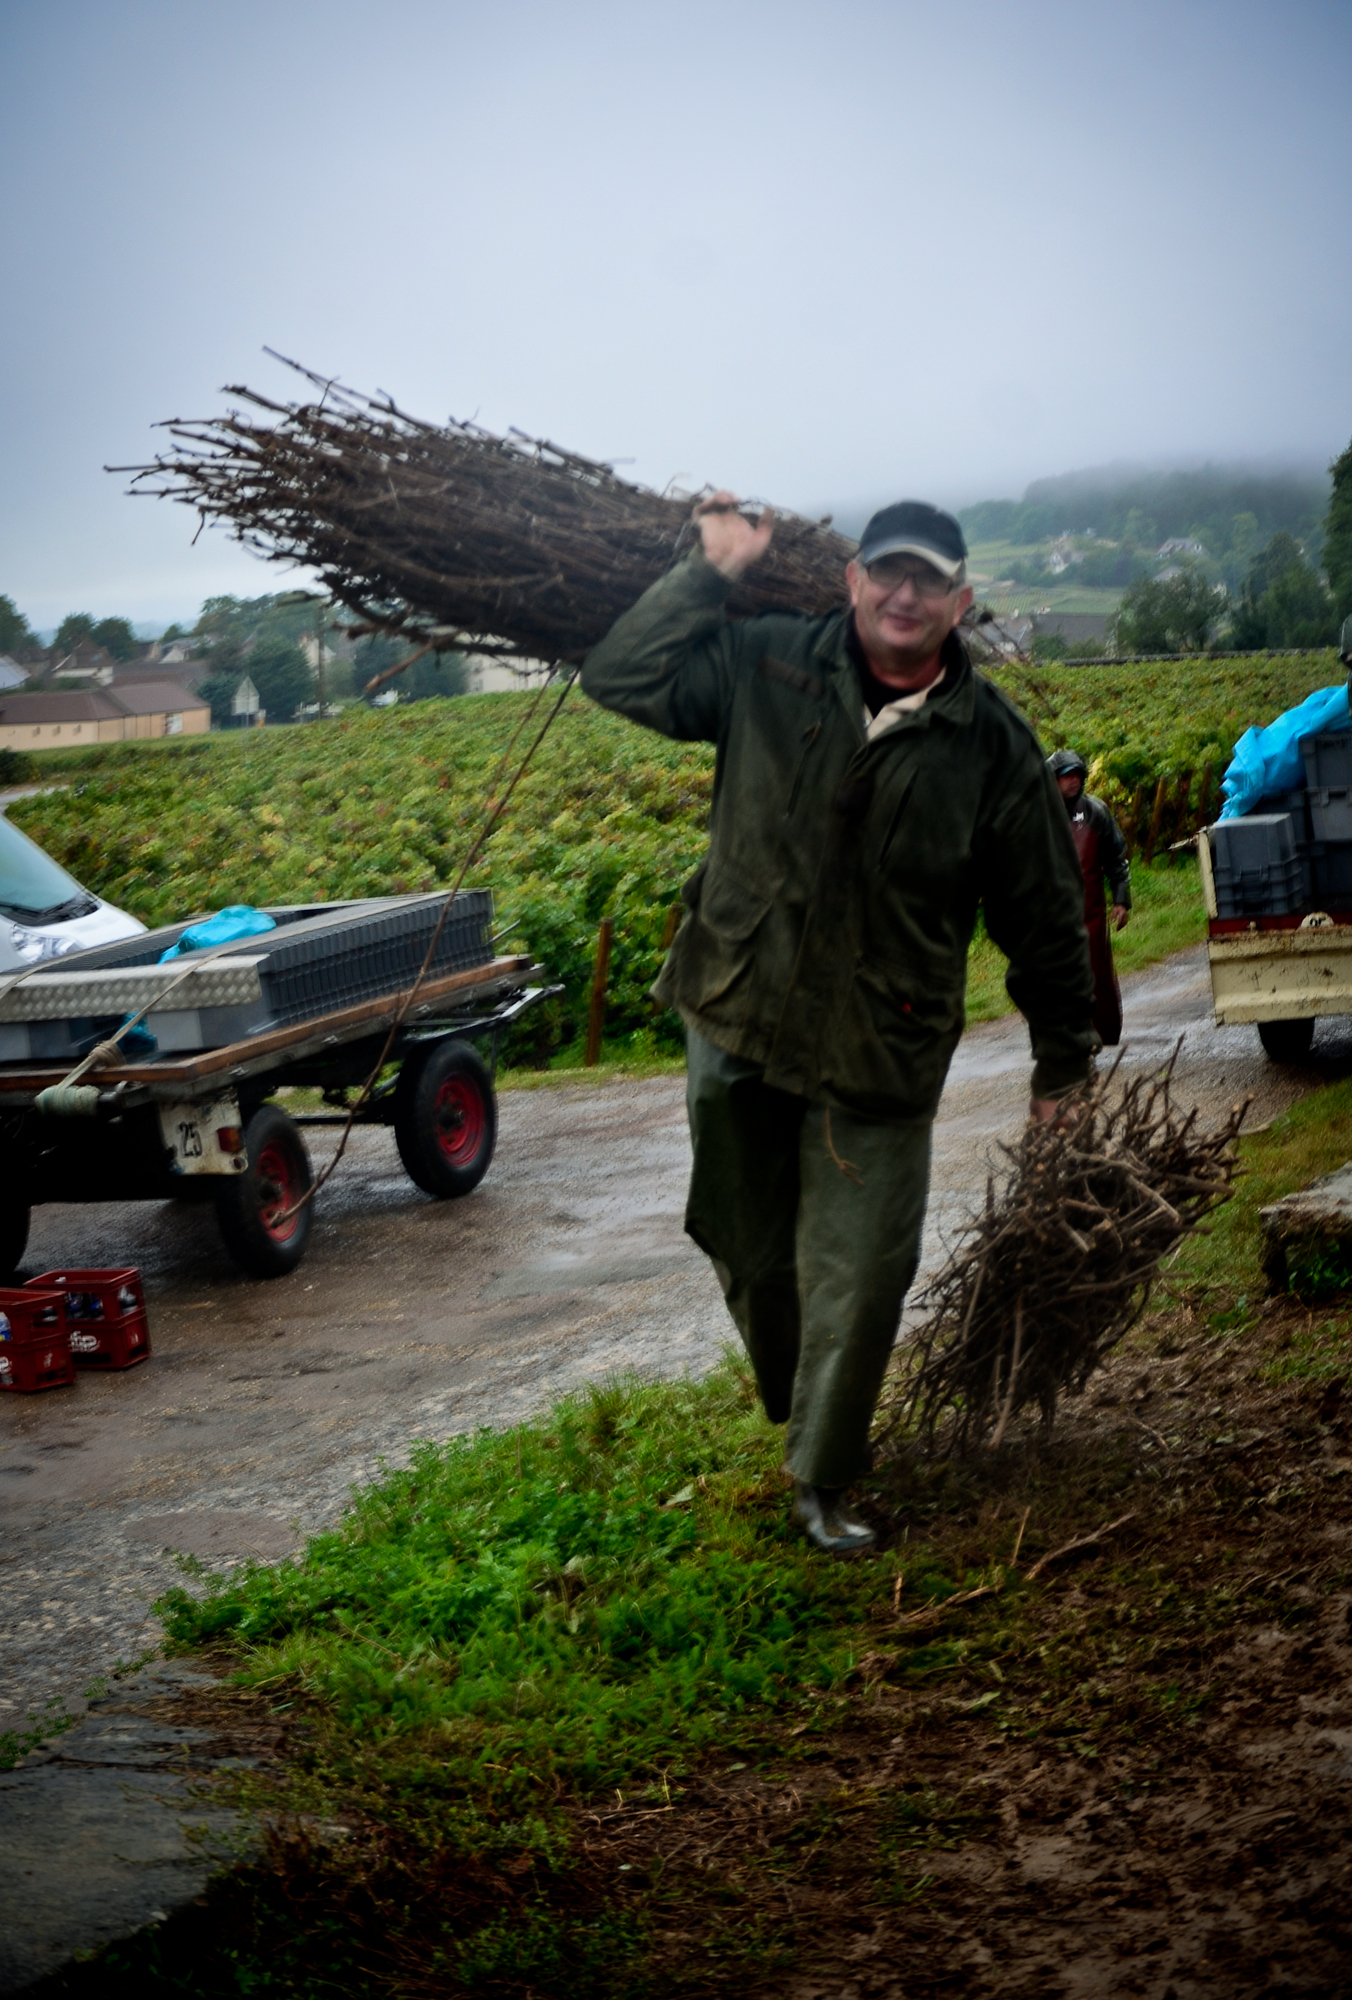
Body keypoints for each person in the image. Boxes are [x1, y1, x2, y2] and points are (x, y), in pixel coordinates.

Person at [581, 496, 1097, 1554]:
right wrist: (708, 570)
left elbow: (1042, 911)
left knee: (858, 1273)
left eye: (930, 582)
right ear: (852, 580)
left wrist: (1061, 1064)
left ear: (959, 603)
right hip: (736, 1004)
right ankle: (798, 1393)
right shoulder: (763, 661)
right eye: (888, 574)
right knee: (743, 1238)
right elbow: (619, 677)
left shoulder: (990, 743)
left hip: (882, 1040)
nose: (905, 596)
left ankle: (821, 1472)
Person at [1047, 749, 1131, 1048]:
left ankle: (1100, 1034)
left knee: (1095, 977)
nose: (1072, 781)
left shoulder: (1096, 812)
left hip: (1090, 917)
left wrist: (1121, 900)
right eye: (1065, 776)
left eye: (1077, 775)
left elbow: (1116, 860)